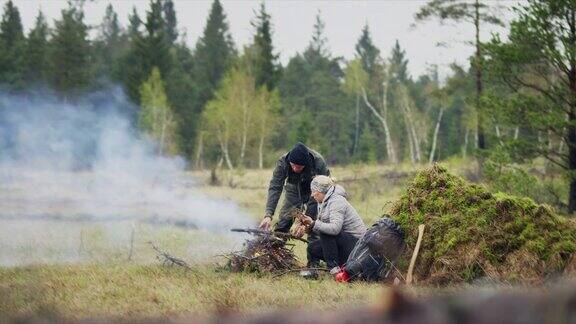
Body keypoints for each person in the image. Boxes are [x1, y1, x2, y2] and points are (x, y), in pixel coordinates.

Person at [258, 142, 330, 267]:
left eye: (299, 166)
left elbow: (320, 193)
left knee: (313, 226)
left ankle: (313, 264)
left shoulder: (318, 163)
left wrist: (304, 222)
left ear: (306, 163)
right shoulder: (283, 162)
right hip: (293, 189)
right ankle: (273, 257)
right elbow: (275, 187)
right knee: (284, 222)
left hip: (317, 191)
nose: (296, 169)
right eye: (293, 165)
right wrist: (268, 214)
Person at [300, 175, 366, 276]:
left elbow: (334, 229)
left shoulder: (336, 201)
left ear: (321, 191)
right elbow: (322, 226)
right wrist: (307, 227)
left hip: (358, 248)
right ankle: (314, 270)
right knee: (312, 248)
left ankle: (334, 271)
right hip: (345, 243)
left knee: (326, 232)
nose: (312, 195)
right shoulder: (323, 200)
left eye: (314, 191)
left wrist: (313, 223)